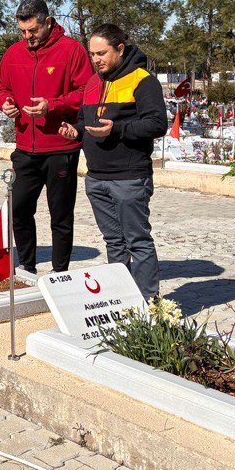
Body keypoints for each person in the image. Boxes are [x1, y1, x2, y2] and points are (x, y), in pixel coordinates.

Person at [61, 24, 168, 301]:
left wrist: (117, 130)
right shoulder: (93, 83)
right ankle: (123, 301)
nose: (95, 59)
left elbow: (157, 124)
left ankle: (148, 305)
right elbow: (86, 122)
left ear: (120, 49)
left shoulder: (143, 80)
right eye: (92, 54)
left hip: (129, 178)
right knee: (113, 242)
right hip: (96, 178)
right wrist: (77, 130)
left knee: (138, 242)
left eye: (101, 53)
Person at [0, 0, 95, 273]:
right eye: (23, 32)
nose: (28, 37)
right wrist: (5, 102)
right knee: (19, 209)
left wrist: (53, 106)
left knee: (60, 215)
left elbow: (88, 92)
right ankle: (27, 265)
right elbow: (2, 88)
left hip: (61, 148)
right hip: (25, 147)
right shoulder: (13, 54)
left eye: (34, 31)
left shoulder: (72, 51)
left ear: (48, 23)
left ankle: (60, 272)